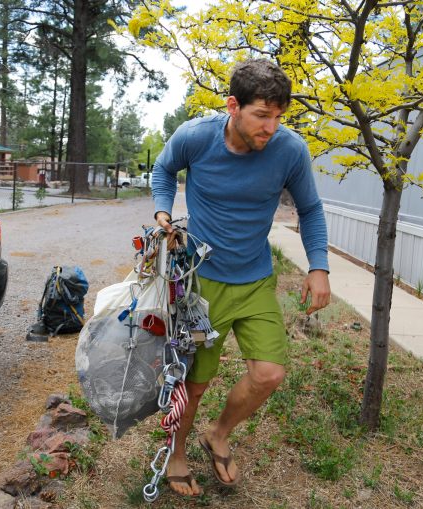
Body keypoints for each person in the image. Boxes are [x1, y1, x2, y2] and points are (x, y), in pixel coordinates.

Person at [151, 58, 331, 496]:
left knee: (269, 373)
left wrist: (319, 266)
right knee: (193, 384)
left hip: (254, 279)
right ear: (233, 106)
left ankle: (219, 433)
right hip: (200, 284)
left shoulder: (290, 150)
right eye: (261, 115)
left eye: (278, 116)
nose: (271, 127)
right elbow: (162, 169)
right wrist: (162, 212)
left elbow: (310, 208)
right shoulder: (195, 136)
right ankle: (175, 454)